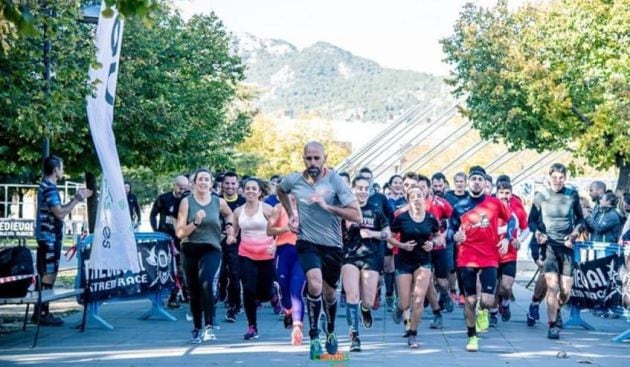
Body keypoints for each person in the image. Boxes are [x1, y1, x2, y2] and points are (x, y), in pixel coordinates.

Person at [277, 141, 361, 360]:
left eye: (316, 158)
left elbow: (356, 215)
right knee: (313, 283)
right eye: (308, 158)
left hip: (332, 244)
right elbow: (280, 190)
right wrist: (292, 212)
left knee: (330, 293)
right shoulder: (294, 180)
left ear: (325, 158)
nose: (312, 162)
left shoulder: (336, 181)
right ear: (303, 158)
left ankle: (330, 331)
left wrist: (328, 207)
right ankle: (313, 335)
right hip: (307, 241)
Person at [450, 166, 512, 352]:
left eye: (480, 179)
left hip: (489, 255)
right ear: (468, 182)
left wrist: (508, 238)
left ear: (486, 183)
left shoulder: (495, 203)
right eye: (473, 179)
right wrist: (454, 236)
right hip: (466, 256)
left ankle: (484, 310)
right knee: (469, 300)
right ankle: (472, 337)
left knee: (486, 299)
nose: (476, 182)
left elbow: (511, 220)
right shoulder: (459, 206)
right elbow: (451, 229)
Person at [176, 169, 235, 344]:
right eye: (200, 179)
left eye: (206, 180)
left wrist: (229, 226)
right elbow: (180, 233)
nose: (203, 182)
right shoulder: (186, 202)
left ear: (211, 184)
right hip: (190, 248)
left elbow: (229, 214)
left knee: (207, 282)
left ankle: (209, 325)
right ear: (193, 183)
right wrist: (195, 223)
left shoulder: (218, 202)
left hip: (211, 248)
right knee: (194, 290)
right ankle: (197, 328)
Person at [33, 155, 92, 326]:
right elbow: (59, 213)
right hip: (49, 237)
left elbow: (57, 210)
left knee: (46, 272)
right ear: (56, 170)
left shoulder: (45, 186)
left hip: (47, 236)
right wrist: (77, 200)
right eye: (62, 167)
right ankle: (42, 313)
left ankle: (41, 311)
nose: (63, 171)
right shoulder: (50, 189)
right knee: (49, 274)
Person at [528, 163, 584, 340]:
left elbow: (581, 219)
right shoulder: (541, 196)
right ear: (549, 177)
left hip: (566, 246)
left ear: (565, 178)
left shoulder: (572, 195)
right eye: (554, 178)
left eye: (561, 178)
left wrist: (574, 234)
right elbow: (531, 221)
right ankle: (552, 325)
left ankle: (556, 308)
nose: (558, 181)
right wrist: (538, 233)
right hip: (549, 245)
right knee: (552, 287)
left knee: (565, 292)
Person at [342, 176, 391, 352]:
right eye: (359, 188)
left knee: (368, 301)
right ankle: (354, 335)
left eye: (365, 188)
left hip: (371, 257)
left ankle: (365, 309)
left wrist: (372, 234)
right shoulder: (345, 210)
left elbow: (387, 234)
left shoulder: (376, 210)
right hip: (349, 257)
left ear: (369, 191)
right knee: (352, 296)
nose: (362, 191)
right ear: (353, 189)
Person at [389, 185, 439, 348]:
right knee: (405, 303)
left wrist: (433, 243)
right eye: (413, 196)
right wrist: (401, 245)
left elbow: (438, 237)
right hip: (404, 261)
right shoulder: (401, 218)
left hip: (423, 261)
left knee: (418, 300)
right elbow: (389, 238)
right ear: (408, 199)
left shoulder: (431, 218)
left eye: (419, 195)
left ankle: (412, 333)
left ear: (424, 197)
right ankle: (400, 306)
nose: (417, 198)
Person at [231, 178, 275, 340]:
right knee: (248, 290)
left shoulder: (268, 209)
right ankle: (252, 326)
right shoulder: (238, 212)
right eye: (247, 188)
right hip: (246, 254)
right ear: (242, 190)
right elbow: (234, 232)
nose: (250, 191)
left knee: (265, 293)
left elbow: (279, 230)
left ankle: (273, 293)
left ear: (259, 192)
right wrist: (230, 237)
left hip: (266, 254)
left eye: (253, 189)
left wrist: (276, 244)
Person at [267, 193, 306, 345]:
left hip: (302, 252)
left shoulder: (308, 208)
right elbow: (269, 231)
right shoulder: (279, 208)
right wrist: (285, 228)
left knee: (296, 291)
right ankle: (288, 311)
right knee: (285, 290)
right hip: (283, 252)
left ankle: (297, 328)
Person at [492, 180, 529, 326]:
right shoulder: (490, 207)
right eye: (501, 193)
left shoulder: (517, 208)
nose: (504, 196)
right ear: (496, 193)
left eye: (507, 193)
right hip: (492, 254)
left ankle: (505, 303)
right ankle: (493, 313)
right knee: (493, 286)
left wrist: (519, 240)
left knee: (506, 287)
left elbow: (526, 229)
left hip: (510, 254)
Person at [150, 175, 190, 308]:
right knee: (164, 267)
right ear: (174, 185)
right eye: (180, 188)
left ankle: (180, 294)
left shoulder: (187, 200)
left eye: (184, 188)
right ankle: (165, 296)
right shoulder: (164, 198)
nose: (182, 191)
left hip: (180, 238)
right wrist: (156, 231)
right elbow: (153, 215)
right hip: (164, 238)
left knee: (180, 267)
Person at [218, 171, 246, 322]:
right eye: (227, 183)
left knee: (235, 276)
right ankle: (222, 295)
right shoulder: (216, 200)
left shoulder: (243, 202)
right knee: (221, 275)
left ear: (237, 185)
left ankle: (233, 307)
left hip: (238, 243)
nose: (230, 186)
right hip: (218, 243)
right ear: (222, 184)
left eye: (233, 183)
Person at [444, 172, 469, 305]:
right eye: (457, 181)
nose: (460, 184)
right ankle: (451, 290)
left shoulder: (469, 197)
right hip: (451, 233)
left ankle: (462, 293)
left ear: (466, 183)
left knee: (462, 264)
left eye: (462, 181)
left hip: (466, 235)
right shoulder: (448, 197)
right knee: (451, 265)